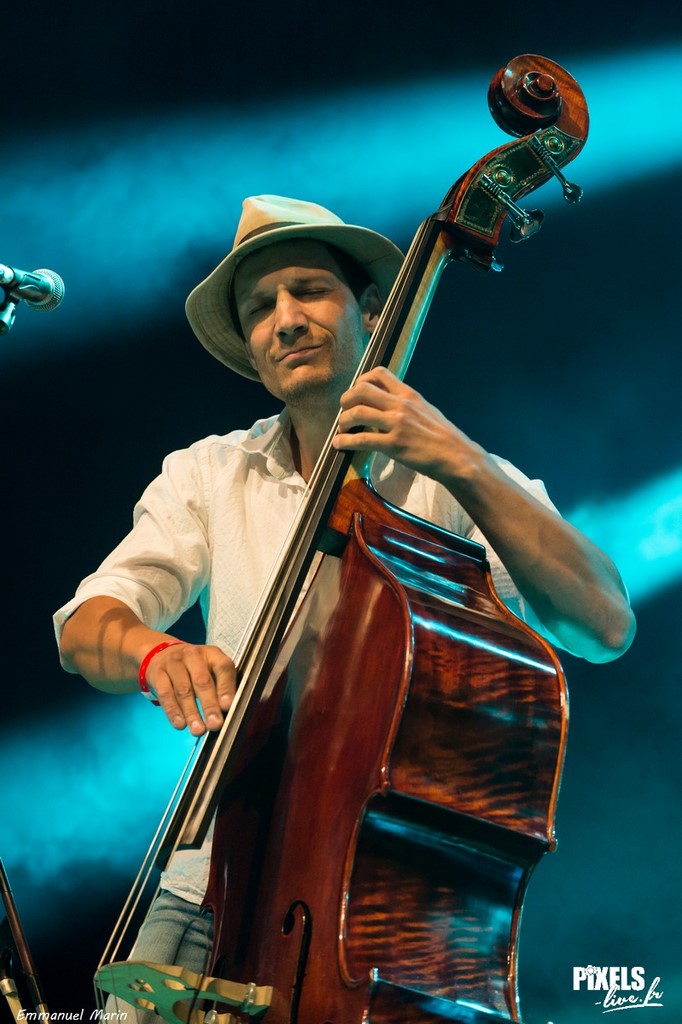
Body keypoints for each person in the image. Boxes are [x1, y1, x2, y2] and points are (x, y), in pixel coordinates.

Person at [54, 194, 635, 1005]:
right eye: (261, 309)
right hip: (211, 884)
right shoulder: (208, 473)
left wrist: (463, 462)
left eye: (308, 291)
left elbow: (603, 622)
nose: (285, 320)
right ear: (251, 349)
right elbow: (85, 628)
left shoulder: (452, 476)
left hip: (382, 906)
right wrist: (155, 654)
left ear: (372, 310)